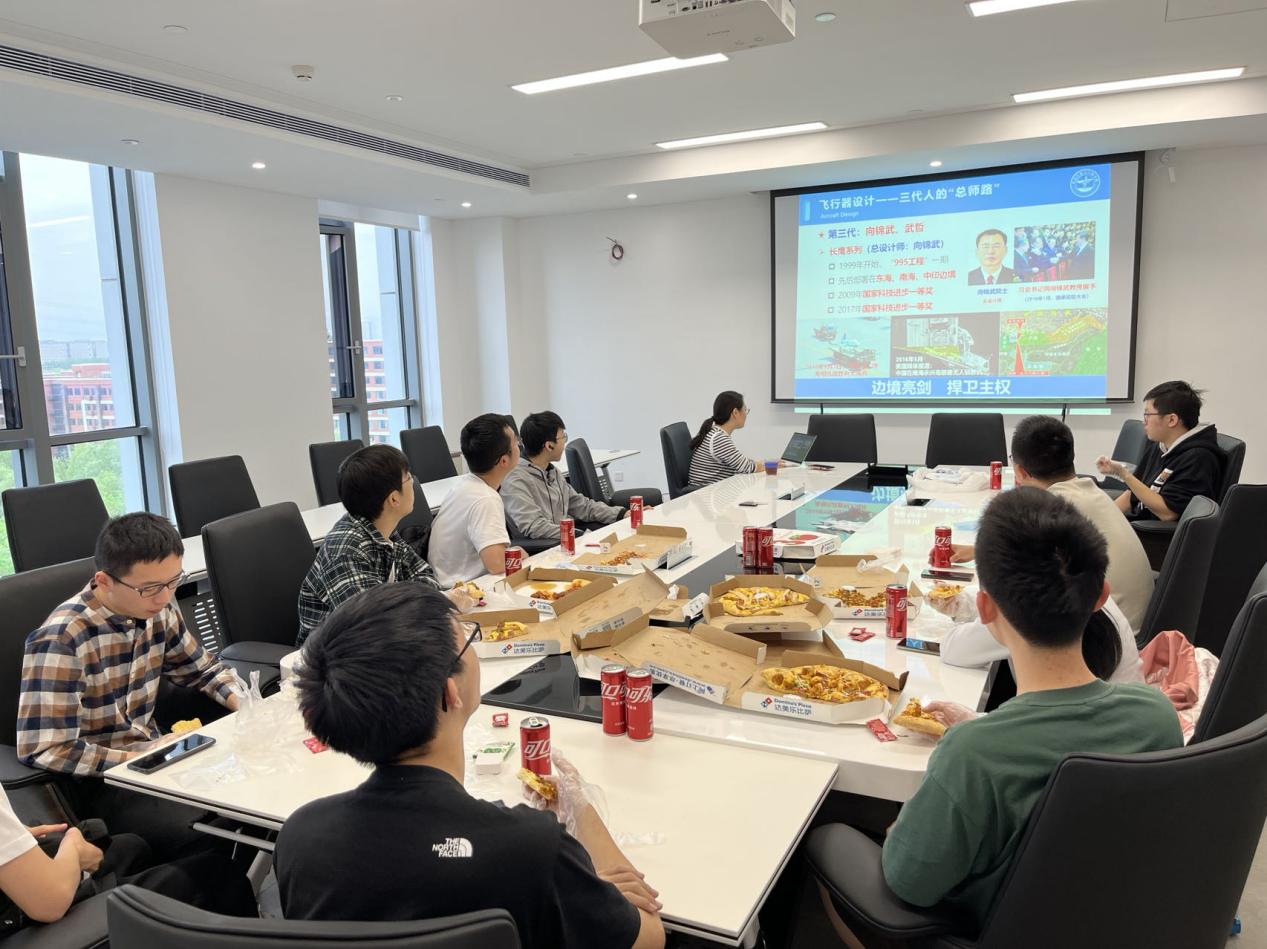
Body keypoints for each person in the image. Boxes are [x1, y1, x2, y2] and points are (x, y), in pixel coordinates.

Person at [274, 584, 665, 949]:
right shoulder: (531, 849)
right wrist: (584, 821)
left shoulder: (301, 837)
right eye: (467, 640)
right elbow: (649, 937)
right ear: (450, 692)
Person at [876, 489, 1182, 937]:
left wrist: (897, 830)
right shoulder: (1156, 716)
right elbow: (1060, 746)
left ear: (985, 608)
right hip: (1114, 923)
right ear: (1100, 596)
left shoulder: (974, 755)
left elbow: (911, 884)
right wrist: (984, 727)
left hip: (989, 929)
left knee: (836, 838)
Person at [18, 514, 244, 856]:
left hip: (155, 755)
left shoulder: (158, 609)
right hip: (101, 781)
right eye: (149, 588)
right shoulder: (62, 639)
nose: (164, 597)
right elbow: (48, 749)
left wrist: (246, 703)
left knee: (247, 791)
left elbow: (202, 670)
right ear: (104, 581)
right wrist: (144, 754)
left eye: (173, 581)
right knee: (218, 820)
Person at [941, 416, 1153, 636]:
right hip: (1130, 628)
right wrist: (977, 551)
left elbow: (1014, 592)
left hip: (1100, 637)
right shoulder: (1089, 492)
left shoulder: (1050, 511)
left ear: (1020, 472)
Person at [0, 789, 257, 929]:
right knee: (218, 874)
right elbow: (48, 904)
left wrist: (15, 835)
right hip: (30, 916)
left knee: (131, 847)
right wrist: (73, 846)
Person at [296, 444, 471, 645]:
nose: (413, 481)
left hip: (381, 640)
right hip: (332, 653)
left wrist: (406, 601)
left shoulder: (382, 529)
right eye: (408, 477)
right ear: (394, 499)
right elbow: (373, 624)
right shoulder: (345, 552)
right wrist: (412, 599)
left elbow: (425, 575)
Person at [1098, 380, 1222, 523]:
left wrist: (1124, 474)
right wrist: (1102, 519)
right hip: (1135, 523)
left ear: (1172, 420)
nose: (1144, 421)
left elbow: (1168, 513)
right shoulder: (1160, 446)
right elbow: (1133, 494)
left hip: (1151, 532)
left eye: (1148, 415)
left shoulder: (1197, 457)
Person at [502, 412, 626, 541]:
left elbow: (581, 506)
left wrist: (621, 514)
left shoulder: (552, 472)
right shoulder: (515, 480)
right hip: (544, 548)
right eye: (563, 437)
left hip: (565, 539)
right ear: (549, 446)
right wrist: (579, 535)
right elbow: (535, 527)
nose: (564, 442)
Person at [427, 414, 519, 585]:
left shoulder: (464, 485)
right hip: (465, 589)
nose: (519, 445)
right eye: (515, 442)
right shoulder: (485, 499)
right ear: (504, 460)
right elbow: (497, 564)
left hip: (447, 583)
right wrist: (519, 552)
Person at [687, 391, 763, 489]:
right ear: (735, 413)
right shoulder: (718, 438)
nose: (746, 414)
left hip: (710, 490)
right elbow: (747, 467)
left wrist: (761, 464)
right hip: (707, 493)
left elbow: (741, 464)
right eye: (745, 410)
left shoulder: (714, 432)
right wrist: (772, 465)